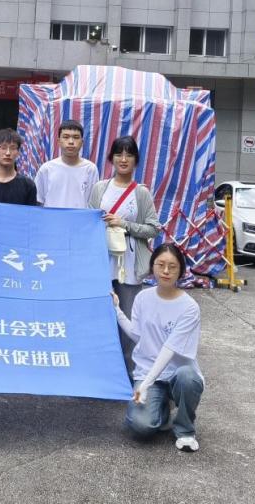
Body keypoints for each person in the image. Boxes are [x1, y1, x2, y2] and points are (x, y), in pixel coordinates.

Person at [114, 244, 204, 453]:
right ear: (152, 266)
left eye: (172, 267)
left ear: (181, 270)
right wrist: (117, 310)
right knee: (141, 426)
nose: (166, 271)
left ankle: (185, 430)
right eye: (160, 265)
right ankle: (163, 409)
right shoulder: (142, 298)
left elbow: (169, 349)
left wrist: (145, 385)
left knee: (188, 377)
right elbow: (137, 334)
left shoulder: (189, 307)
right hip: (147, 372)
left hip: (176, 374)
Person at [90, 136, 161, 373]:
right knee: (100, 316)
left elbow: (153, 228)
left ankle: (128, 371)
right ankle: (101, 369)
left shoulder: (141, 193)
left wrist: (124, 224)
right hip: (102, 263)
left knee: (128, 319)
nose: (123, 159)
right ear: (111, 158)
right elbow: (87, 222)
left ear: (136, 160)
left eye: (129, 154)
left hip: (129, 266)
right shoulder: (100, 188)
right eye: (118, 154)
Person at [34, 120, 98, 208]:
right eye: (66, 137)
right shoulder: (46, 169)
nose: (71, 141)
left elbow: (93, 203)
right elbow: (39, 200)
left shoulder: (90, 169)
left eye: (76, 137)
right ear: (58, 141)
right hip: (51, 216)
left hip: (80, 216)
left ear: (82, 142)